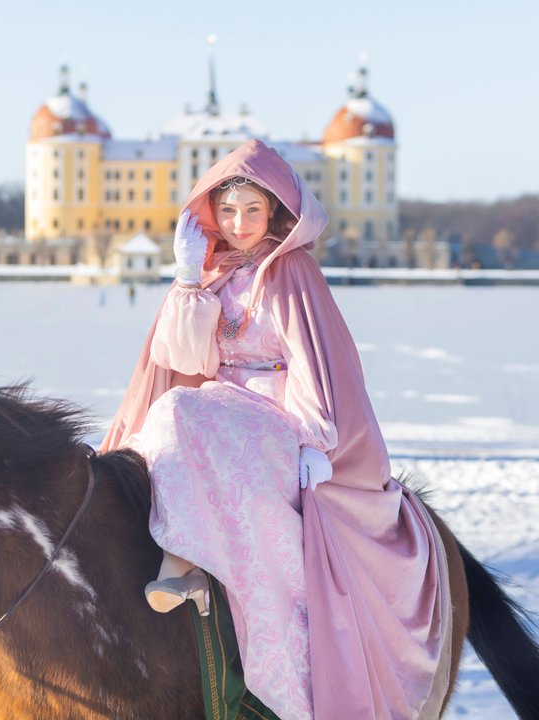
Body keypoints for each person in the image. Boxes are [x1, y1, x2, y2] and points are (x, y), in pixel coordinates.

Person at [102, 139, 451, 720]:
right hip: (220, 401)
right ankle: (175, 561)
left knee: (183, 413)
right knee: (171, 417)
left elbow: (315, 358)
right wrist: (188, 281)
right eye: (228, 211)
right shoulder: (215, 272)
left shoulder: (291, 270)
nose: (238, 225)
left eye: (252, 212)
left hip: (276, 412)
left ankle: (184, 567)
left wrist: (315, 438)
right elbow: (186, 358)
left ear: (276, 215)